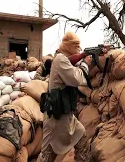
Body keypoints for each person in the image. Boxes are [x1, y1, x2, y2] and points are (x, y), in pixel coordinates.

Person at [37, 31, 92, 162]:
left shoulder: (63, 59)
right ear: (68, 46)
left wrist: (83, 57)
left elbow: (72, 65)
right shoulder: (60, 59)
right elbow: (76, 79)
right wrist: (85, 63)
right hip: (56, 117)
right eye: (76, 46)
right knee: (47, 155)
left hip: (65, 116)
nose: (78, 49)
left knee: (82, 138)